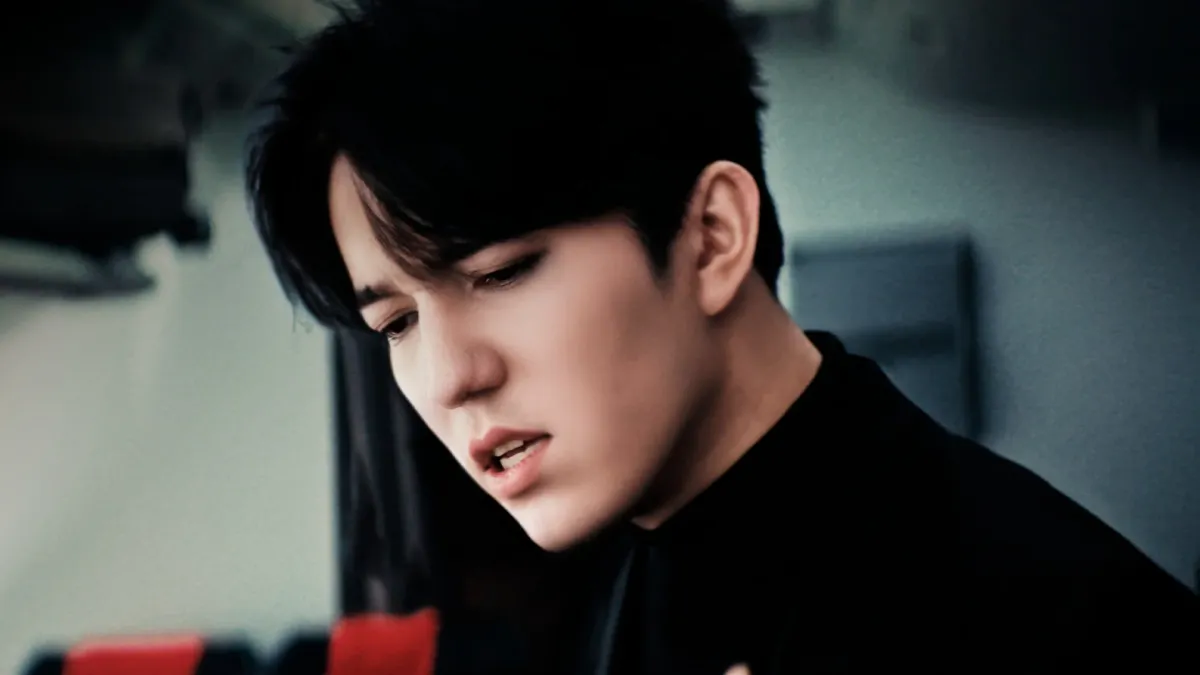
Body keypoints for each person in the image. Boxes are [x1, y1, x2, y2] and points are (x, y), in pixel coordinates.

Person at [245, 0, 1200, 673]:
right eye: (398, 321)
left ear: (710, 237)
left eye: (499, 272)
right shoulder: (646, 568)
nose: (451, 375)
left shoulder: (1032, 612)